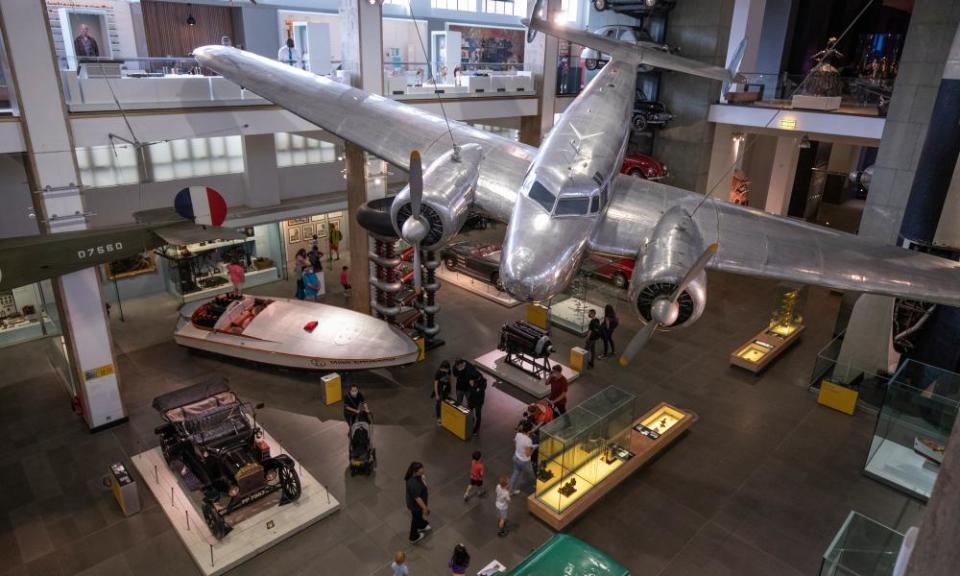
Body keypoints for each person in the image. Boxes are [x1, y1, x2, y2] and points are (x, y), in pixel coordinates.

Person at [404, 462, 431, 543]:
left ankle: (421, 525)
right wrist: (425, 508)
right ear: (415, 472)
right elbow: (417, 498)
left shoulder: (416, 476)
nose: (423, 471)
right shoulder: (413, 483)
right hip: (415, 506)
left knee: (418, 516)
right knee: (415, 518)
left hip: (416, 504)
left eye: (422, 469)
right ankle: (413, 536)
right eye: (421, 471)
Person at [508, 421, 537, 496]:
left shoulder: (518, 434)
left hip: (516, 457)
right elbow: (528, 454)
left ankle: (510, 491)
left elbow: (515, 443)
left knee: (515, 474)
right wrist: (533, 448)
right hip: (524, 461)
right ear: (529, 430)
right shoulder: (528, 441)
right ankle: (537, 487)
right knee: (531, 475)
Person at [466, 369, 487, 437]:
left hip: (478, 402)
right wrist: (472, 387)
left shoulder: (483, 382)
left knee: (478, 416)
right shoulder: (472, 378)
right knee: (469, 412)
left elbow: (478, 393)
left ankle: (476, 429)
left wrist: (472, 386)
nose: (472, 380)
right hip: (471, 400)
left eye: (474, 379)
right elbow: (469, 389)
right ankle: (470, 423)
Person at [432, 360, 452, 425]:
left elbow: (449, 379)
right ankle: (438, 418)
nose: (442, 370)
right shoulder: (438, 373)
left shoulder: (448, 371)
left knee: (445, 402)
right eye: (442, 368)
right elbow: (435, 384)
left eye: (444, 369)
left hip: (446, 389)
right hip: (440, 390)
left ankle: (445, 414)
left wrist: (450, 388)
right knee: (439, 404)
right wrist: (437, 394)